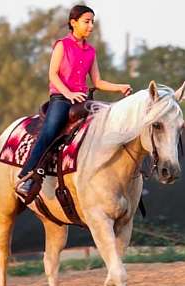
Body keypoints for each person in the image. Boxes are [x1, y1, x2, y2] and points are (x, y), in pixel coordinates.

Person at [16, 4, 132, 197]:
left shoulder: (91, 51)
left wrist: (119, 87)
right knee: (51, 130)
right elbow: (53, 74)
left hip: (82, 100)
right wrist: (68, 94)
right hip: (62, 98)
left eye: (92, 22)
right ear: (73, 22)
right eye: (87, 22)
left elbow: (97, 81)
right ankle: (27, 175)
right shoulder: (62, 45)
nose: (91, 26)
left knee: (107, 124)